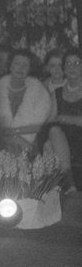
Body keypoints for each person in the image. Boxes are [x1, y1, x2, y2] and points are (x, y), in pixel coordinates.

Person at [0, 49, 54, 165]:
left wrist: (14, 134)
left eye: (25, 65)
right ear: (10, 66)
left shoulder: (39, 91)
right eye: (17, 63)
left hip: (28, 141)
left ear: (29, 69)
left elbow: (38, 126)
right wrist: (9, 136)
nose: (20, 68)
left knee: (14, 150)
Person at [53, 49, 82, 187]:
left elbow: (60, 118)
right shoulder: (57, 93)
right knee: (52, 135)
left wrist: (65, 118)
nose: (72, 67)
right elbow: (51, 120)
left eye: (77, 63)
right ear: (64, 68)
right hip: (63, 140)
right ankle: (69, 186)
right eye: (68, 63)